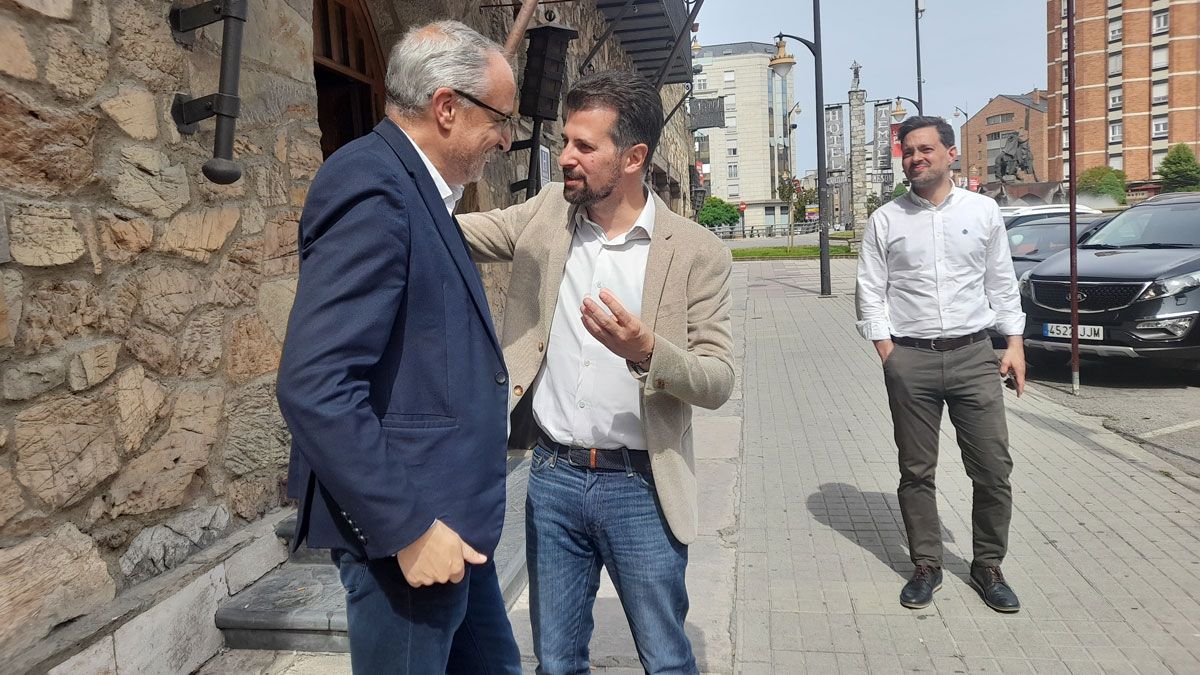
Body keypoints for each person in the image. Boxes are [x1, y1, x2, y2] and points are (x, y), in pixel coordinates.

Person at [458, 69, 735, 674]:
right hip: (553, 478)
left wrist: (646, 351)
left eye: (585, 146)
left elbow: (719, 379)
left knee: (665, 658)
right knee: (556, 661)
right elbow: (456, 232)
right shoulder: (545, 215)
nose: (566, 159)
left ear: (633, 157)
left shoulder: (695, 253)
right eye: (565, 141)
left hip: (642, 486)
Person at [276, 20, 521, 673]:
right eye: (501, 117)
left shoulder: (419, 189)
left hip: (454, 529)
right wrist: (409, 528)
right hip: (410, 545)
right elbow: (316, 382)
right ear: (446, 107)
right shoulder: (372, 183)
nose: (506, 137)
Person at [855, 115, 1026, 614]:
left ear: (951, 154)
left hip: (976, 356)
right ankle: (926, 564)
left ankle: (987, 565)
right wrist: (890, 354)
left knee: (993, 469)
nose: (916, 158)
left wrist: (1013, 344)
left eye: (925, 149)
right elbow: (871, 291)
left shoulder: (983, 211)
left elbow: (1001, 281)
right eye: (908, 151)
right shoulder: (886, 219)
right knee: (916, 470)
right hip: (912, 359)